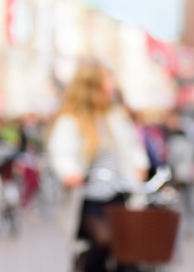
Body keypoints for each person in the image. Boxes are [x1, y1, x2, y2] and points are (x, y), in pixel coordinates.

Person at [48, 59, 149, 272]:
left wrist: (139, 166)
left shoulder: (115, 115)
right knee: (103, 240)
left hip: (119, 194)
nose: (112, 83)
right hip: (89, 201)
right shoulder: (72, 119)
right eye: (107, 78)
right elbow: (61, 152)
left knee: (128, 253)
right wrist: (71, 173)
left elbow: (133, 147)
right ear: (94, 84)